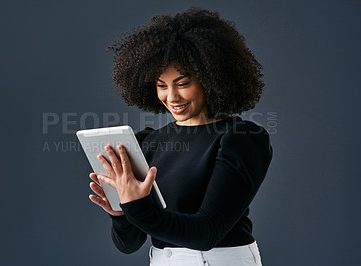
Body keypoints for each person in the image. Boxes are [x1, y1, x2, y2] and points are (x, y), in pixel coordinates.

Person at [88, 7, 273, 266]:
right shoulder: (148, 142)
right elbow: (129, 245)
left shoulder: (242, 138)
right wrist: (121, 213)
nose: (171, 97)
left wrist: (138, 207)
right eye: (161, 86)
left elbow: (206, 233)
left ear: (211, 79)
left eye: (183, 83)